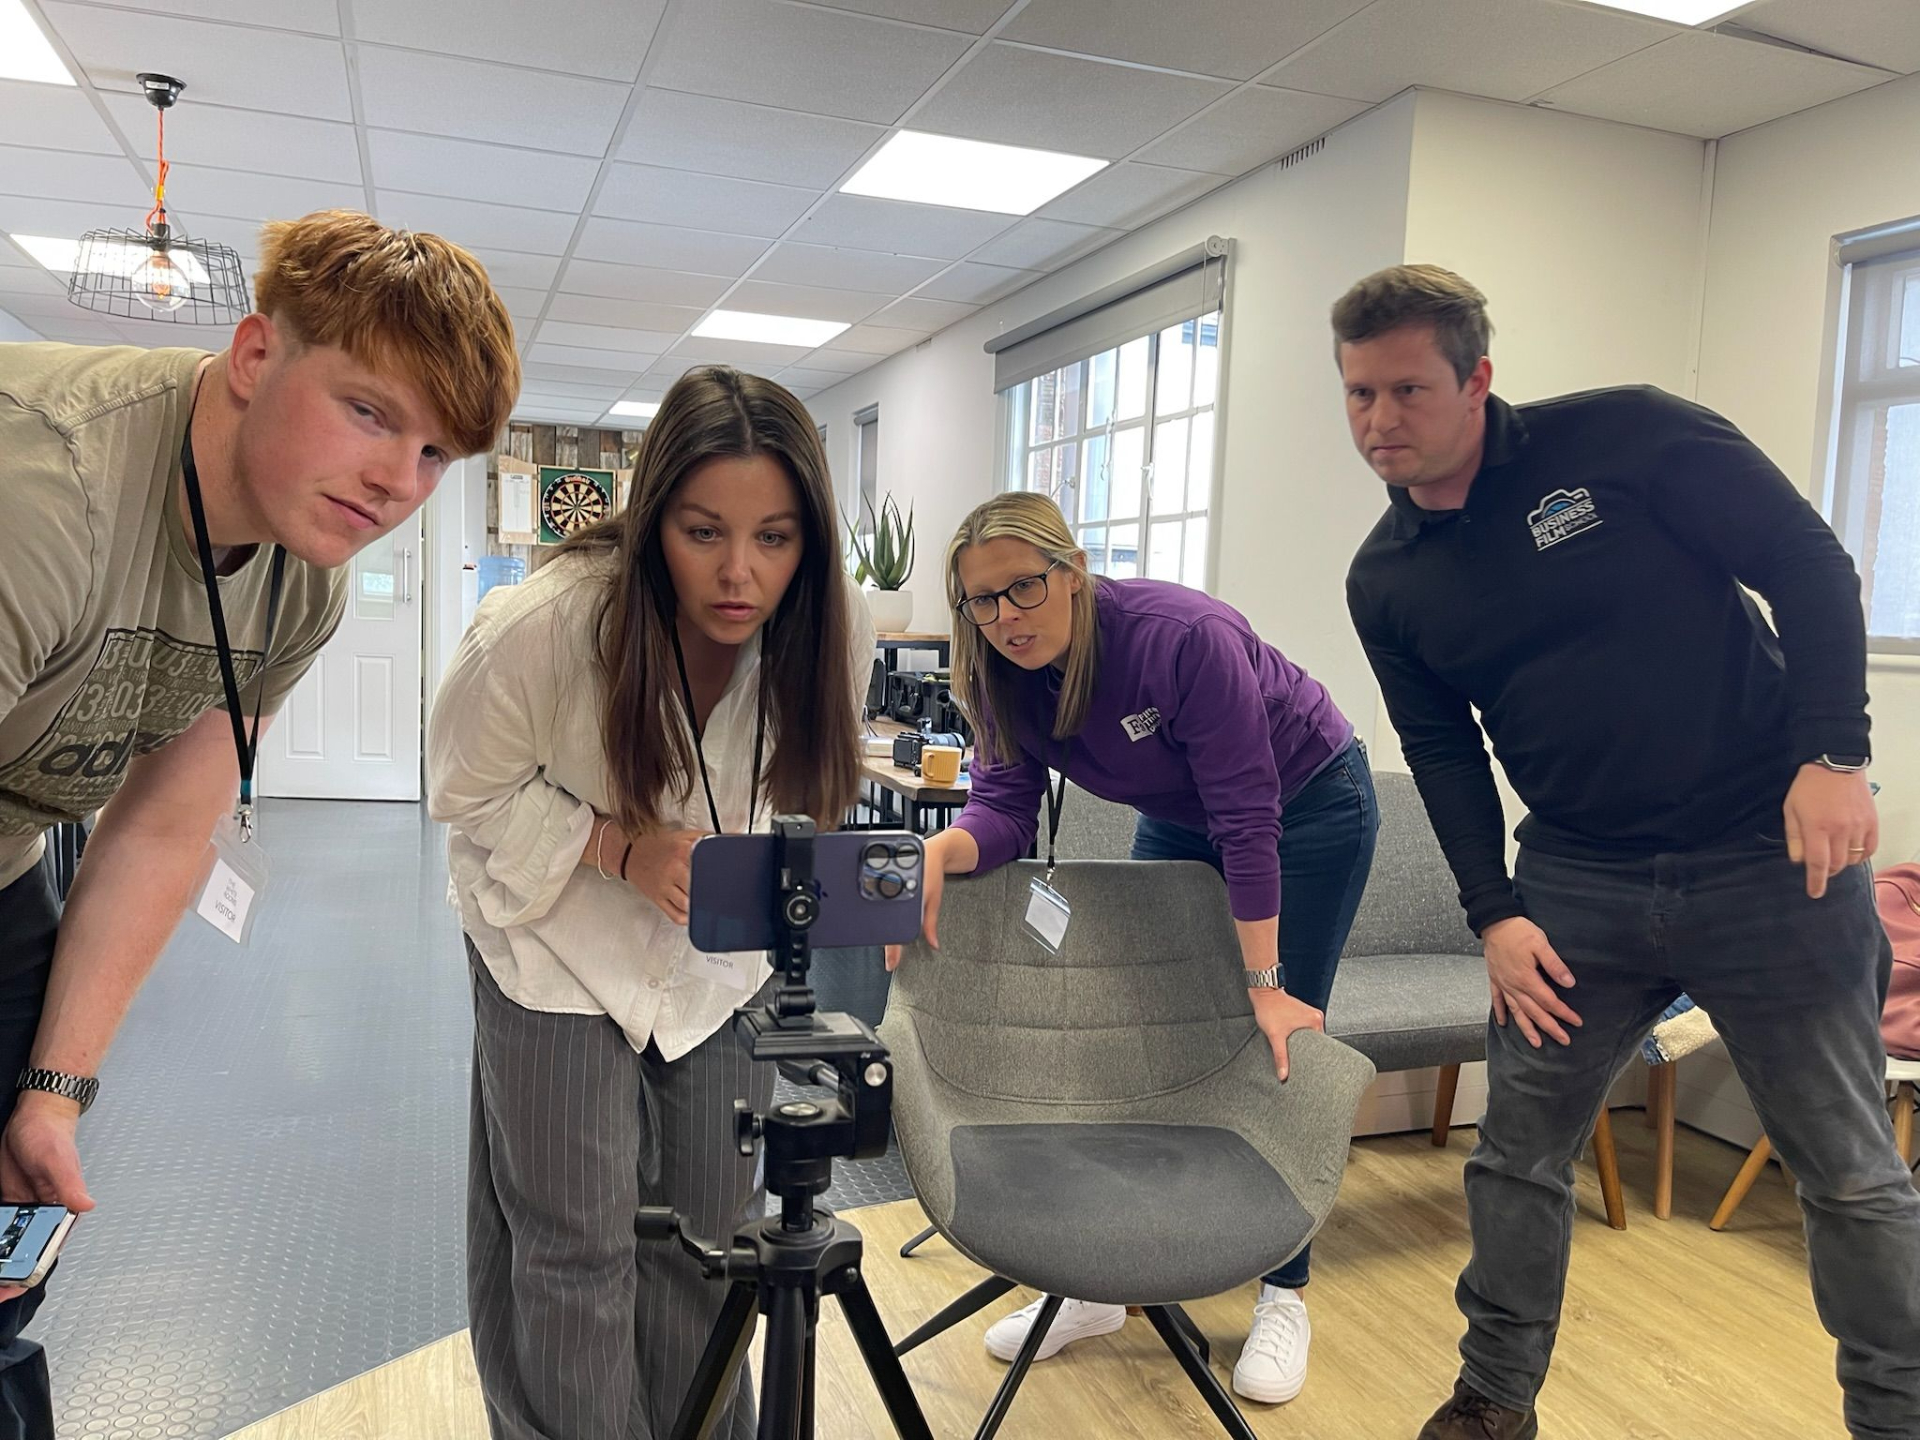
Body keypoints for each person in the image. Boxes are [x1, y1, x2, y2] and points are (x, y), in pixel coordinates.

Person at [1337, 264, 1920, 1440]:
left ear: (1477, 379)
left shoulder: (1632, 438)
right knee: (1516, 1156)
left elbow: (1810, 565)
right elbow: (1441, 753)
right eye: (1356, 395)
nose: (1379, 423)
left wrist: (1836, 755)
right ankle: (1494, 1398)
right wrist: (1494, 915)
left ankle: (1898, 1416)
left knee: (1851, 1174)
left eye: (1406, 390)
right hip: (1575, 886)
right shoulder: (1385, 578)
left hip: (1770, 863)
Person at [0, 209, 516, 1437]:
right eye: (370, 412)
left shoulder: (305, 576)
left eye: (437, 451)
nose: (399, 483)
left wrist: (54, 1088)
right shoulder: (48, 489)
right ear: (252, 357)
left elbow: (168, 822)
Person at [427, 365, 872, 1440]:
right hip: (556, 950)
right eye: (702, 531)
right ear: (652, 515)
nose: (739, 572)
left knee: (711, 1243)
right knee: (575, 1244)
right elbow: (461, 789)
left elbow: (803, 806)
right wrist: (619, 848)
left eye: (774, 537)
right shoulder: (543, 626)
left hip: (709, 972)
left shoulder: (820, 640)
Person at [887, 490, 1377, 1406]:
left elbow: (1248, 817)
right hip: (1179, 817)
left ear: (1072, 572)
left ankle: (1284, 1291)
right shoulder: (996, 670)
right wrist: (941, 853)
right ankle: (1098, 1286)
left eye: (1024, 589)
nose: (1005, 618)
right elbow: (1002, 809)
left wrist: (1264, 981)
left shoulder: (1179, 637)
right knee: (1138, 1032)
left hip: (1305, 809)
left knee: (1280, 1035)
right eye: (980, 602)